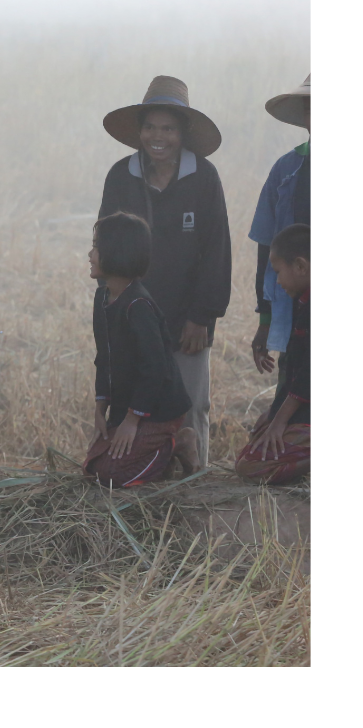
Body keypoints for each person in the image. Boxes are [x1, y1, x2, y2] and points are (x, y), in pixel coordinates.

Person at [98, 76, 231, 468]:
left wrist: (201, 317)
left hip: (187, 318)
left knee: (191, 406)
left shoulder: (204, 177)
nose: (158, 137)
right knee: (132, 404)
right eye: (150, 127)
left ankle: (194, 483)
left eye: (168, 128)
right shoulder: (121, 177)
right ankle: (144, 479)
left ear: (183, 133)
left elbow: (217, 250)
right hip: (133, 315)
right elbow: (107, 247)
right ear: (139, 131)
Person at [83, 212, 200, 487]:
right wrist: (101, 409)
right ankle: (155, 454)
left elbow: (155, 369)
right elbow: (104, 357)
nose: (90, 254)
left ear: (117, 253)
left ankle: (177, 443)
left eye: (97, 247)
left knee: (113, 477)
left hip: (157, 408)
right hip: (127, 407)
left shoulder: (139, 307)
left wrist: (132, 420)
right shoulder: (103, 298)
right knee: (92, 466)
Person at [236, 224, 310, 484]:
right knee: (249, 453)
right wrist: (275, 412)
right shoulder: (304, 303)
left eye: (278, 272)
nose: (277, 281)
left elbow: (310, 375)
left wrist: (280, 421)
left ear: (301, 267)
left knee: (251, 467)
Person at [249, 75, 310, 387]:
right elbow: (267, 251)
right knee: (293, 391)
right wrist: (265, 321)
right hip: (296, 311)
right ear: (305, 115)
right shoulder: (287, 170)